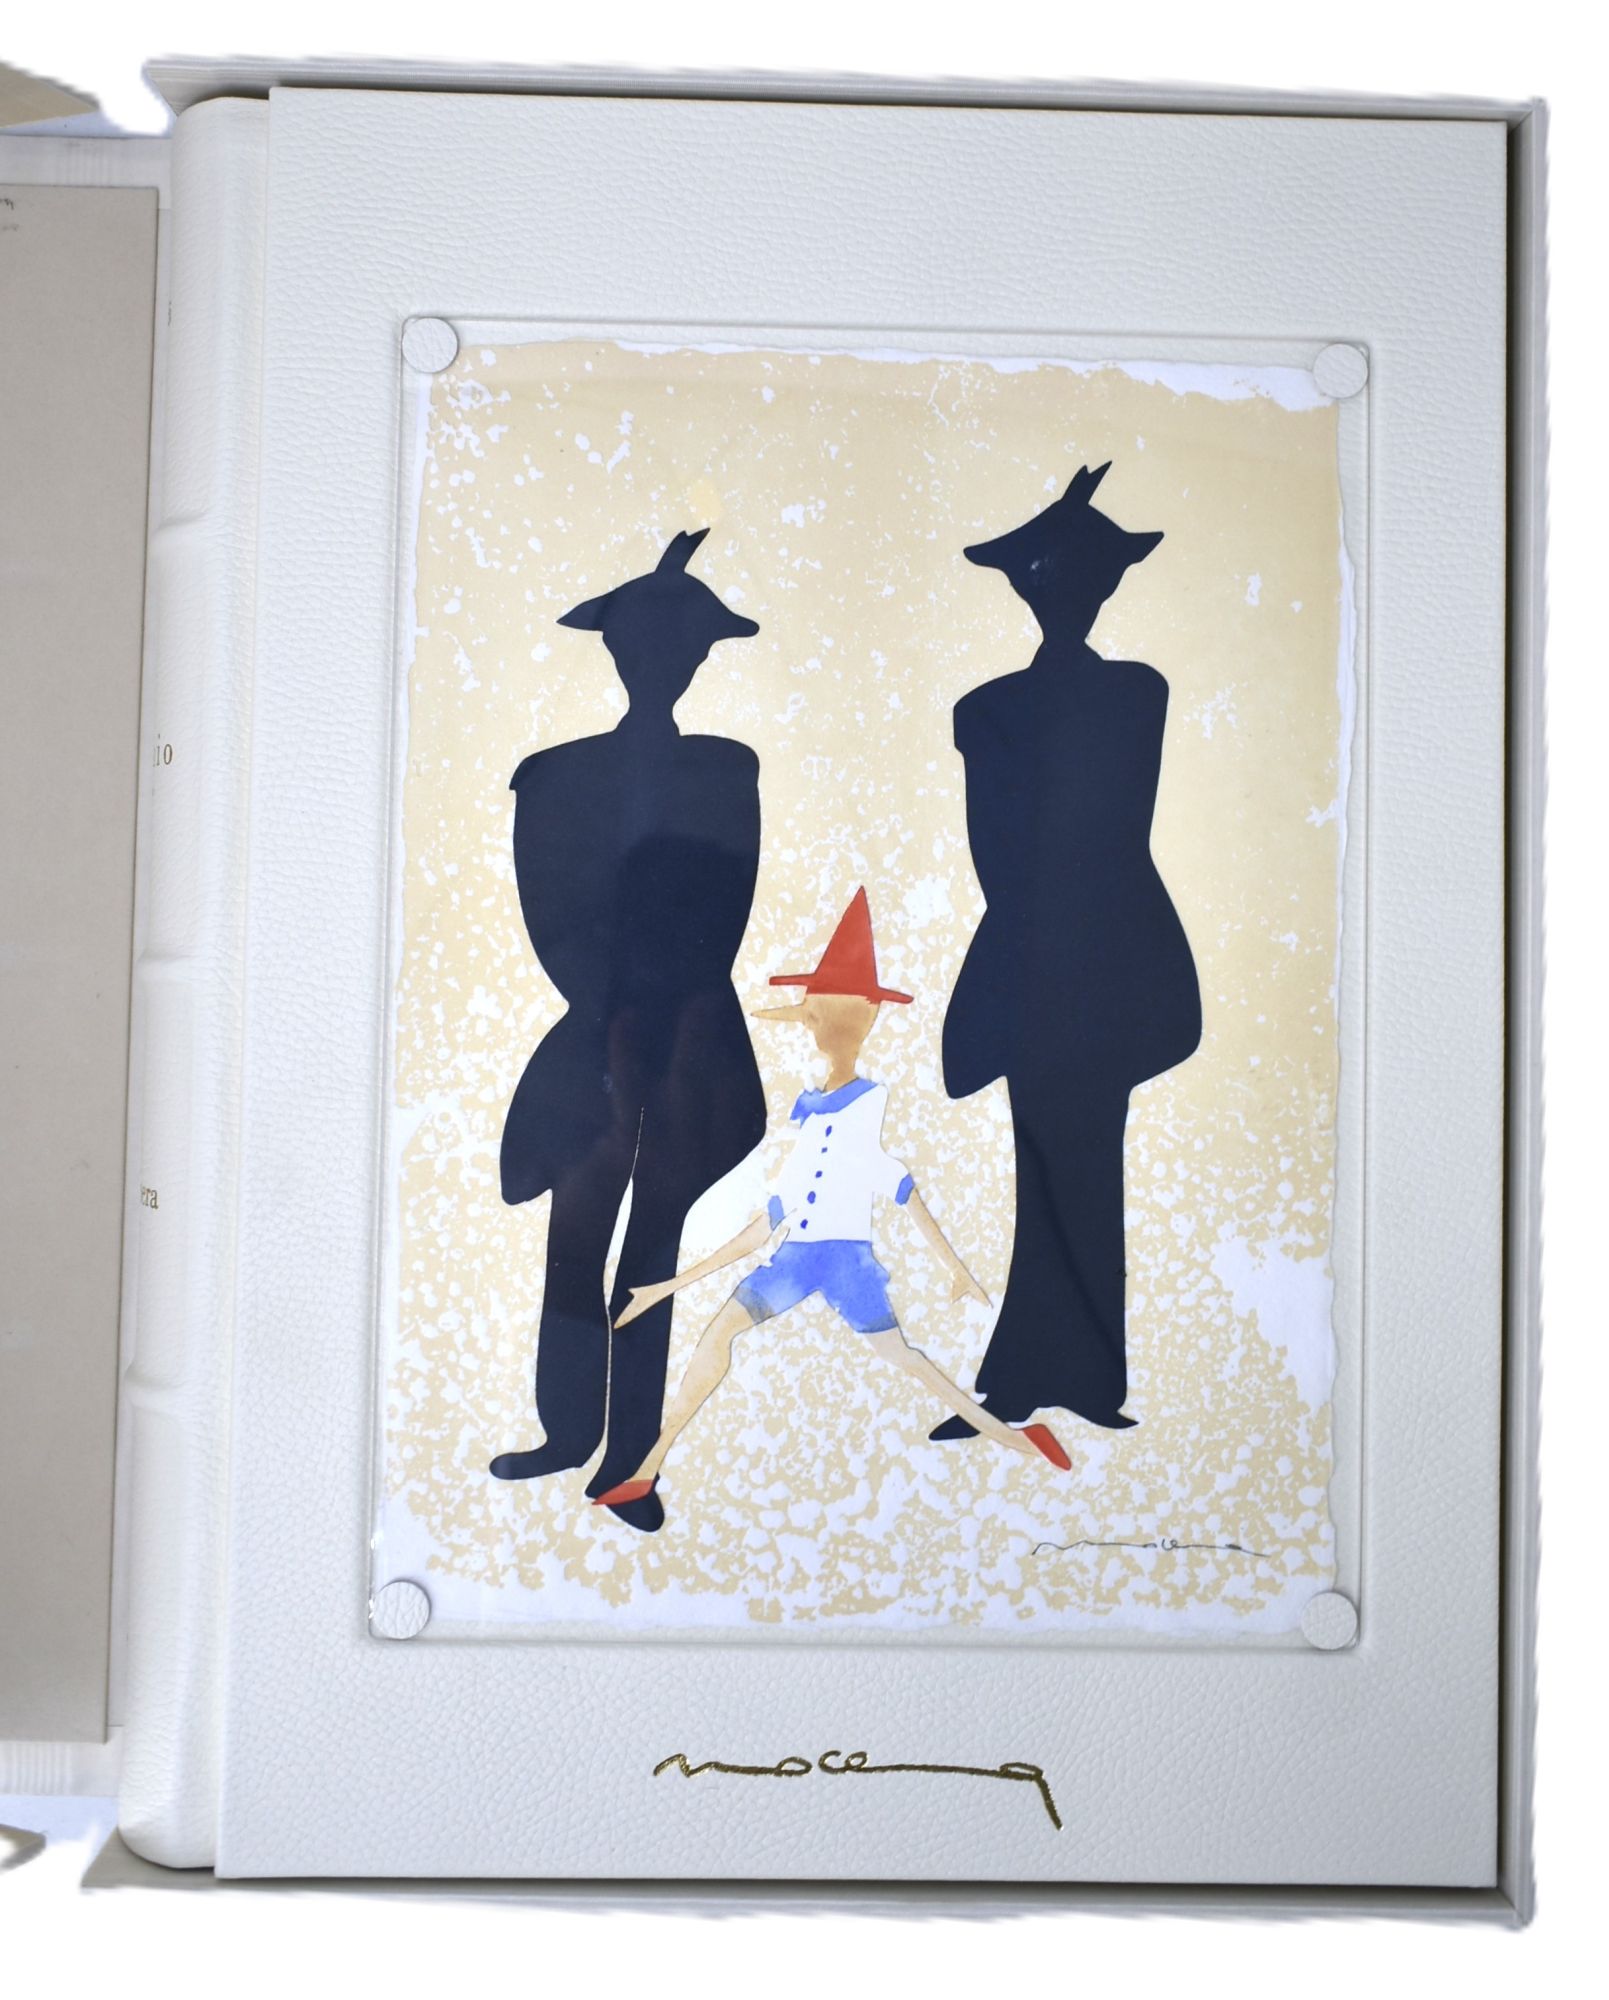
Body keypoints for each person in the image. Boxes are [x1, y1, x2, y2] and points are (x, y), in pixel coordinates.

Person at [592, 888, 1071, 1523]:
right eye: (810, 1016)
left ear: (860, 1019)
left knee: (908, 1361)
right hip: (793, 1261)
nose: (811, 1026)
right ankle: (647, 1471)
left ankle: (1015, 1438)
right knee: (718, 1338)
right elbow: (766, 1224)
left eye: (816, 1015)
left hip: (846, 1263)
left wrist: (954, 1267)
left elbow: (900, 1186)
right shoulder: (813, 1115)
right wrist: (667, 1288)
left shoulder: (866, 1106)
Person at [492, 529, 766, 1533]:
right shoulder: (553, 776)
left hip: (690, 1037)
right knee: (575, 1236)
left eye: (684, 648)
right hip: (597, 1034)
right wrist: (608, 1015)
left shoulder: (725, 770)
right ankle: (567, 1429)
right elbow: (549, 912)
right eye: (648, 645)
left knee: (651, 1248)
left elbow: (722, 909)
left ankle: (628, 1461)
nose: (665, 664)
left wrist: (657, 1018)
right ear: (616, 650)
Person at [935, 462, 1202, 1438]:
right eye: (1050, 575)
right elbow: (998, 853)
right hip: (1046, 957)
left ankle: (1074, 1376)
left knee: (1083, 1163)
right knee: (1049, 1161)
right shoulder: (988, 709)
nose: (1064, 592)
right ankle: (1031, 1378)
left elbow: (1097, 833)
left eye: (1082, 575)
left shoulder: (1132, 693)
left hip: (1104, 959)